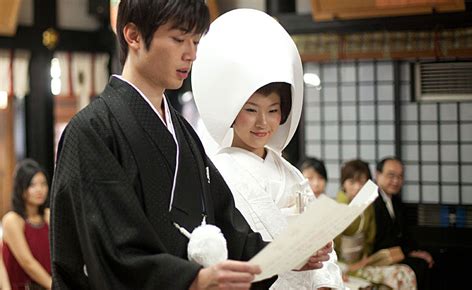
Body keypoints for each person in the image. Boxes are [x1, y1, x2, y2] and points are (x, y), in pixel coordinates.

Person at [50, 1, 328, 289]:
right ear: (133, 36)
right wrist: (190, 280)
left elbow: (224, 223)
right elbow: (110, 250)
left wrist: (284, 255)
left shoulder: (183, 131)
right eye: (178, 39)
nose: (191, 54)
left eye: (195, 41)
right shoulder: (92, 132)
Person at [192, 9, 343, 289]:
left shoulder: (292, 174)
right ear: (232, 111)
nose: (263, 122)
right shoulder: (216, 173)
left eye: (273, 110)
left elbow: (323, 246)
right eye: (251, 110)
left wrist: (325, 280)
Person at [334, 159, 416, 290]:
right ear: (343, 184)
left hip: (363, 263)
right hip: (341, 265)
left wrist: (365, 260)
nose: (357, 187)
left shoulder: (368, 206)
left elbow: (369, 240)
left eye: (362, 183)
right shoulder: (336, 208)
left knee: (405, 272)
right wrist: (341, 269)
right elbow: (331, 247)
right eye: (352, 182)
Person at [375, 157, 434, 290]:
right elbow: (381, 239)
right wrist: (409, 253)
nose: (396, 181)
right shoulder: (372, 203)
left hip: (398, 252)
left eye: (400, 176)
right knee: (417, 267)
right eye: (391, 175)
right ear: (377, 175)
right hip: (379, 256)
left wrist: (415, 251)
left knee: (428, 261)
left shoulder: (396, 202)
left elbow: (405, 234)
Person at [2, 159, 51, 290]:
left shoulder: (48, 215)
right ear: (21, 188)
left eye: (43, 184)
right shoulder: (12, 220)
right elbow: (27, 263)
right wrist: (55, 286)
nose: (40, 189)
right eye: (32, 185)